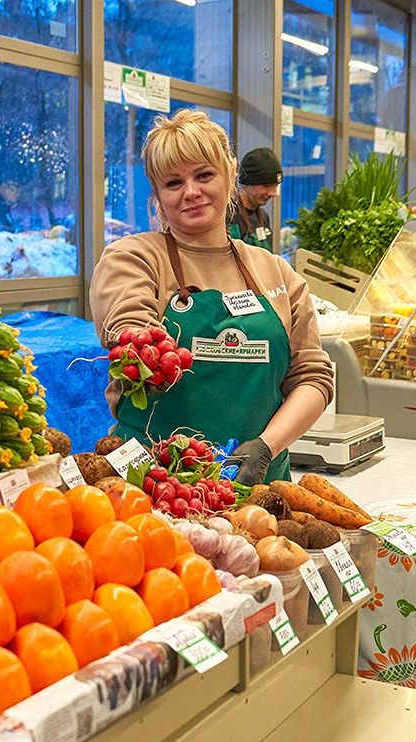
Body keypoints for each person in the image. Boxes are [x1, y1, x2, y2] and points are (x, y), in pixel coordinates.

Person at [90, 110, 333, 485]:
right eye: (173, 182)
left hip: (258, 489)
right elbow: (128, 324)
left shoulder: (276, 273)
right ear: (157, 195)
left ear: (231, 175)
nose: (191, 192)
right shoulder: (134, 257)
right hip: (151, 487)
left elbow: (313, 378)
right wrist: (141, 355)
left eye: (204, 175)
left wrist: (266, 448)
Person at [227, 147, 283, 253]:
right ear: (247, 182)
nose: (274, 193)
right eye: (266, 185)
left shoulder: (264, 217)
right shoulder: (228, 216)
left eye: (275, 186)